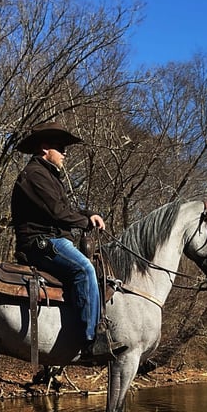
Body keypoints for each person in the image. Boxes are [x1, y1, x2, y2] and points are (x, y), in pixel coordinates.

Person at [10, 121, 127, 362]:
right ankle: (92, 341)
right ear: (44, 148)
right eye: (60, 147)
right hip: (40, 242)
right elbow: (57, 212)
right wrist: (84, 223)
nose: (65, 153)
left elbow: (63, 208)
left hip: (51, 238)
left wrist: (88, 214)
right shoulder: (34, 175)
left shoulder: (47, 175)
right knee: (84, 270)